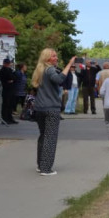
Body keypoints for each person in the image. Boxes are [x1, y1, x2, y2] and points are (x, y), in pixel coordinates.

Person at [32, 48, 76, 176]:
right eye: (54, 56)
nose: (56, 58)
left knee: (43, 136)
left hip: (40, 108)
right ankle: (46, 168)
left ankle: (41, 165)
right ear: (47, 59)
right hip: (51, 108)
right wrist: (69, 64)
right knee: (50, 138)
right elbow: (59, 80)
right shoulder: (50, 69)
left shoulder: (40, 70)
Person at [0, 57, 16, 124]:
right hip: (6, 89)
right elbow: (8, 77)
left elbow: (14, 78)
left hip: (11, 89)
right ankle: (4, 119)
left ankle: (10, 118)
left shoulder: (10, 69)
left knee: (11, 104)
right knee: (6, 105)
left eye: (9, 63)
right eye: (7, 63)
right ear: (4, 63)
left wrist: (12, 79)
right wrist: (10, 79)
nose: (8, 64)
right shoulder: (2, 70)